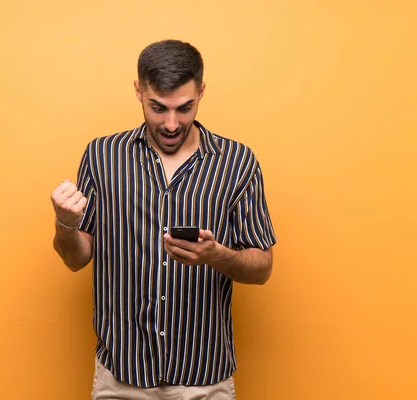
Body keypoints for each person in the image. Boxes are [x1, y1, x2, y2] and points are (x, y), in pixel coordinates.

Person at [50, 39, 277, 399]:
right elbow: (76, 259)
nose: (171, 124)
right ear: (139, 91)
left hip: (204, 377)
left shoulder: (238, 163)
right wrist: (65, 223)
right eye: (158, 108)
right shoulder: (102, 156)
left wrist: (217, 255)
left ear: (201, 91)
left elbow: (263, 268)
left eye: (185, 108)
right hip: (121, 376)